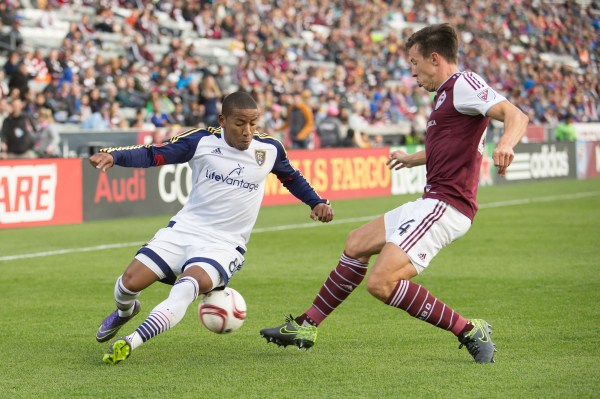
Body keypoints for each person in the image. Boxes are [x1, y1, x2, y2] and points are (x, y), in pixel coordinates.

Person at [260, 23, 529, 364]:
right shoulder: (447, 96)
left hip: (447, 206)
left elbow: (515, 114)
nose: (412, 74)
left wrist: (506, 143)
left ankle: (469, 329)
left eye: (415, 63)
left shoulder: (463, 84)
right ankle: (306, 325)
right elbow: (449, 148)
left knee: (382, 282)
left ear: (435, 58)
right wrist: (412, 158)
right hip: (432, 200)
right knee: (356, 243)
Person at [89, 91, 334, 365]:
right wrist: (114, 157)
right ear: (223, 120)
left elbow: (292, 177)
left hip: (224, 245)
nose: (248, 131)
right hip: (184, 230)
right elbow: (154, 154)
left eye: (253, 123)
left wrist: (316, 202)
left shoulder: (269, 149)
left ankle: (131, 342)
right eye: (240, 123)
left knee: (187, 286)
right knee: (127, 284)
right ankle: (125, 312)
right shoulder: (200, 141)